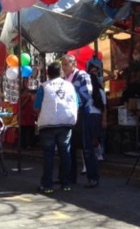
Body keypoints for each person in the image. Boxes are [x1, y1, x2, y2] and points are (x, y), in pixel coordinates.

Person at [34, 62, 79, 194]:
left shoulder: (44, 87)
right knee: (65, 153)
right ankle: (66, 183)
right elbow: (77, 103)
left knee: (48, 155)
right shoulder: (70, 86)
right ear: (61, 73)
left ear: (47, 73)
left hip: (48, 124)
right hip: (66, 122)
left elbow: (36, 107)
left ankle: (47, 185)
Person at [61, 54, 100, 188]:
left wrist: (70, 103)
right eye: (63, 65)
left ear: (74, 64)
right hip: (70, 116)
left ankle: (93, 177)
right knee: (70, 148)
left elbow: (85, 95)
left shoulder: (83, 76)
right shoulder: (63, 80)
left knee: (87, 147)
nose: (64, 67)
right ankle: (71, 177)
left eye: (66, 64)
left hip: (83, 114)